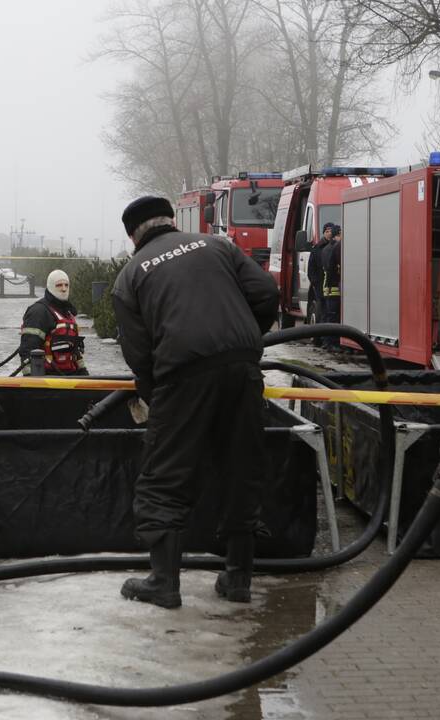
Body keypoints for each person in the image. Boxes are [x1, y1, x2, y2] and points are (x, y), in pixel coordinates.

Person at [111, 196, 279, 609]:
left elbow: (139, 354)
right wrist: (242, 341)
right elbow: (267, 292)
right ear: (170, 221)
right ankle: (238, 578)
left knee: (163, 478)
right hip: (241, 370)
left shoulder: (130, 276)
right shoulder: (217, 246)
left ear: (134, 235)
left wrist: (160, 401)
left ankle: (163, 582)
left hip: (181, 376)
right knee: (243, 467)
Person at [18, 268, 88, 375]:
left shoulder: (68, 313)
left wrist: (84, 373)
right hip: (48, 378)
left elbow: (74, 351)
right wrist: (30, 378)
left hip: (70, 376)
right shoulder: (39, 312)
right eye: (59, 285)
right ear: (50, 287)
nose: (64, 289)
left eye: (66, 285)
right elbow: (28, 348)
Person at [306, 222, 334, 346]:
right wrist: (315, 282)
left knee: (329, 312)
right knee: (322, 312)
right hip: (320, 286)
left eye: (330, 231)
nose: (329, 233)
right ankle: (322, 339)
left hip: (331, 285)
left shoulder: (336, 246)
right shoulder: (317, 248)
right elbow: (311, 268)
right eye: (327, 231)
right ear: (323, 233)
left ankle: (328, 339)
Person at [320, 224, 342, 349]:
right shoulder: (335, 248)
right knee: (334, 317)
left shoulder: (326, 248)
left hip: (328, 287)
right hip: (333, 287)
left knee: (329, 316)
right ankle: (332, 342)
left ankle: (327, 342)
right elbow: (335, 268)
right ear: (337, 235)